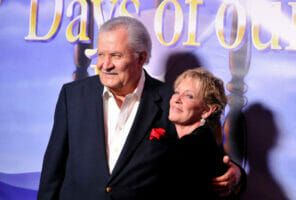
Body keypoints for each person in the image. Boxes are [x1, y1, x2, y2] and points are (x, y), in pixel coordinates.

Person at [37, 16, 244, 200]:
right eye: (101, 55)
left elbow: (209, 161)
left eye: (116, 56)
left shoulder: (171, 101)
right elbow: (52, 172)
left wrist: (235, 174)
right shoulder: (72, 96)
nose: (105, 65)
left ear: (141, 58)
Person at [164, 68, 235, 199]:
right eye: (177, 92)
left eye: (188, 95)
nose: (177, 99)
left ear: (207, 110)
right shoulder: (199, 140)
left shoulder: (193, 147)